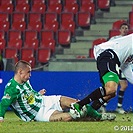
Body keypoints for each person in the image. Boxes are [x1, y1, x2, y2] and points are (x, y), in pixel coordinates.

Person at [0, 60, 114, 122]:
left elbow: (27, 94)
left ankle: (99, 117)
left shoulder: (25, 81)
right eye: (28, 72)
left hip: (44, 100)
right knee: (70, 116)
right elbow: (4, 104)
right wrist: (1, 117)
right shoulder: (11, 88)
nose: (30, 75)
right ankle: (88, 117)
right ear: (20, 72)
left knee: (77, 103)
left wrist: (37, 94)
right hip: (38, 113)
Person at [70, 33, 133, 117]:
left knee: (111, 93)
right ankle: (79, 105)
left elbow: (126, 68)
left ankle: (91, 111)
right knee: (111, 89)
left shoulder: (129, 55)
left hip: (112, 60)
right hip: (109, 55)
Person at [100, 23, 129, 114]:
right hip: (115, 64)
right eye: (123, 28)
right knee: (114, 87)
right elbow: (107, 48)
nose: (124, 30)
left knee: (122, 86)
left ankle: (108, 106)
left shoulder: (128, 40)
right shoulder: (114, 39)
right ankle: (104, 105)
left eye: (126, 28)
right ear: (119, 30)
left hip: (124, 66)